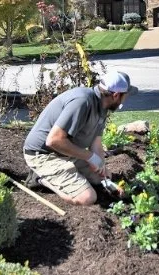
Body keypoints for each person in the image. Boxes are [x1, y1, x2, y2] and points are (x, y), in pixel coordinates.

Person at [23, 71, 137, 206]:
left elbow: (96, 144)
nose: (126, 99)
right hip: (44, 154)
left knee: (103, 178)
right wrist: (90, 157)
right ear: (116, 95)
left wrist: (101, 166)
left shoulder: (103, 106)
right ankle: (39, 179)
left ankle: (66, 173)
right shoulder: (83, 102)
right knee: (87, 198)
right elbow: (53, 140)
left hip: (66, 152)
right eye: (126, 95)